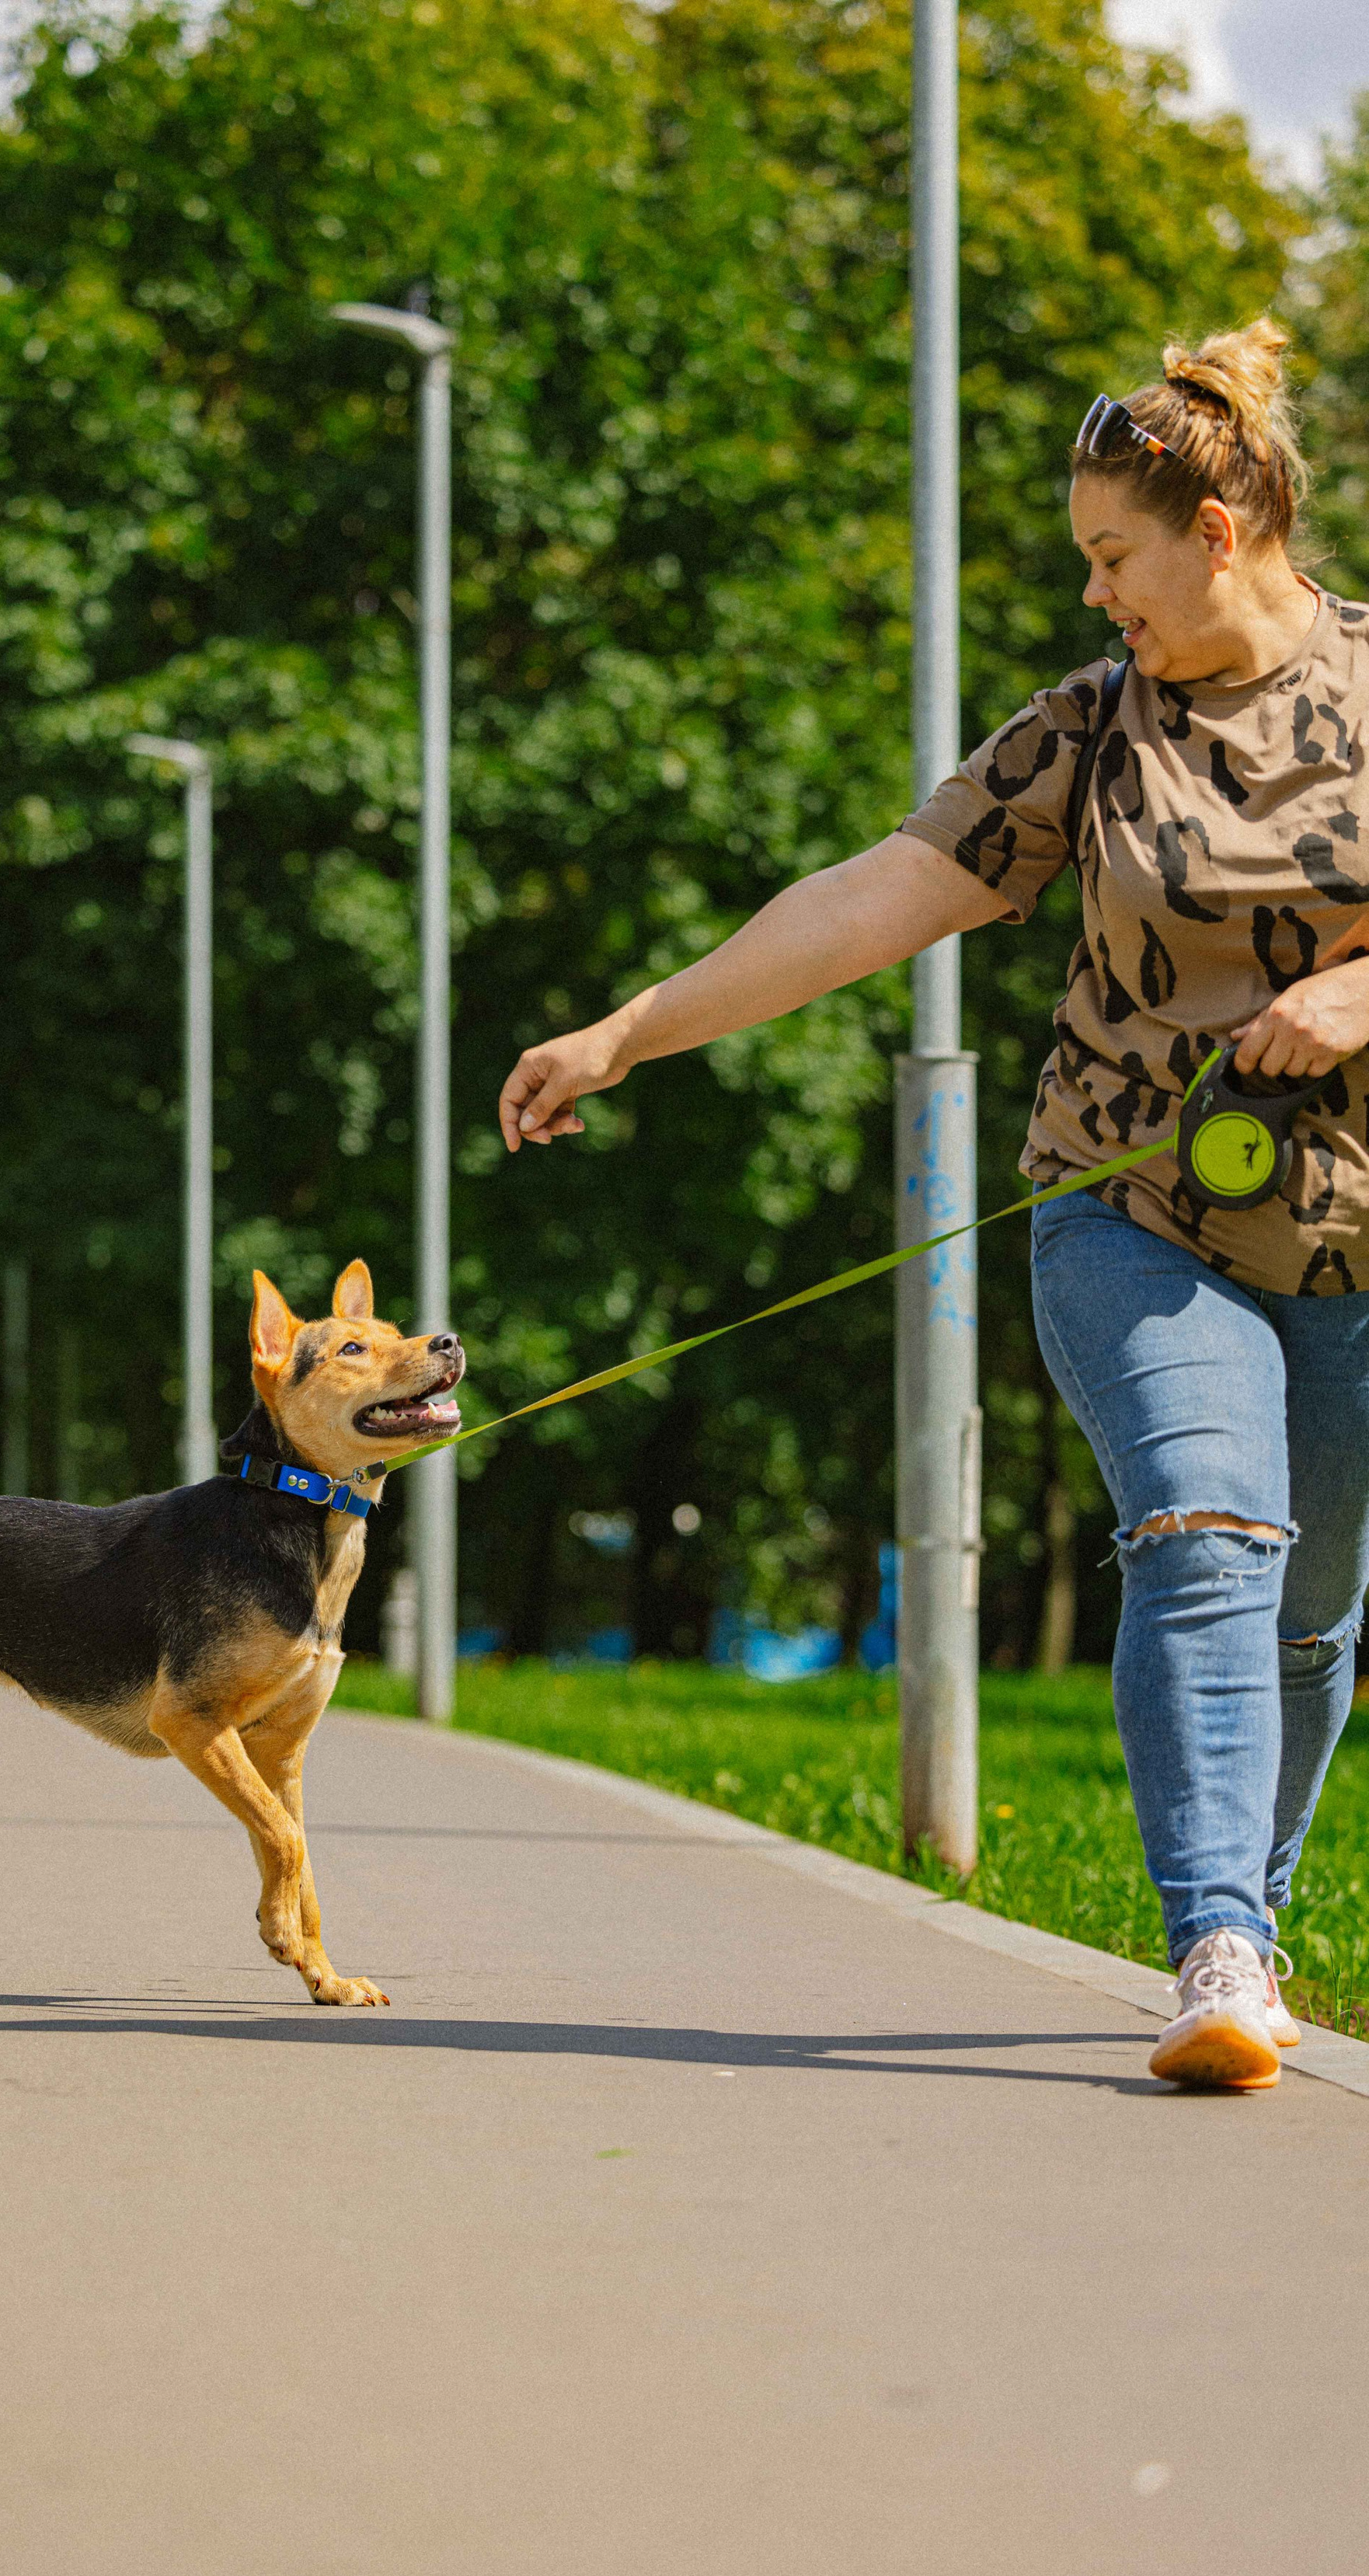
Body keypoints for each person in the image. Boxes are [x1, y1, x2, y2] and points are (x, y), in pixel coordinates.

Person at [497, 316, 1369, 2095]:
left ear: (1215, 528)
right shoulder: (1088, 731)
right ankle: (1210, 1939)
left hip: (1350, 1241)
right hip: (1129, 1220)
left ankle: (1251, 1931)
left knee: (1308, 1611)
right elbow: (870, 896)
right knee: (1202, 1529)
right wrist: (627, 1031)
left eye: (1108, 557)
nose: (1092, 597)